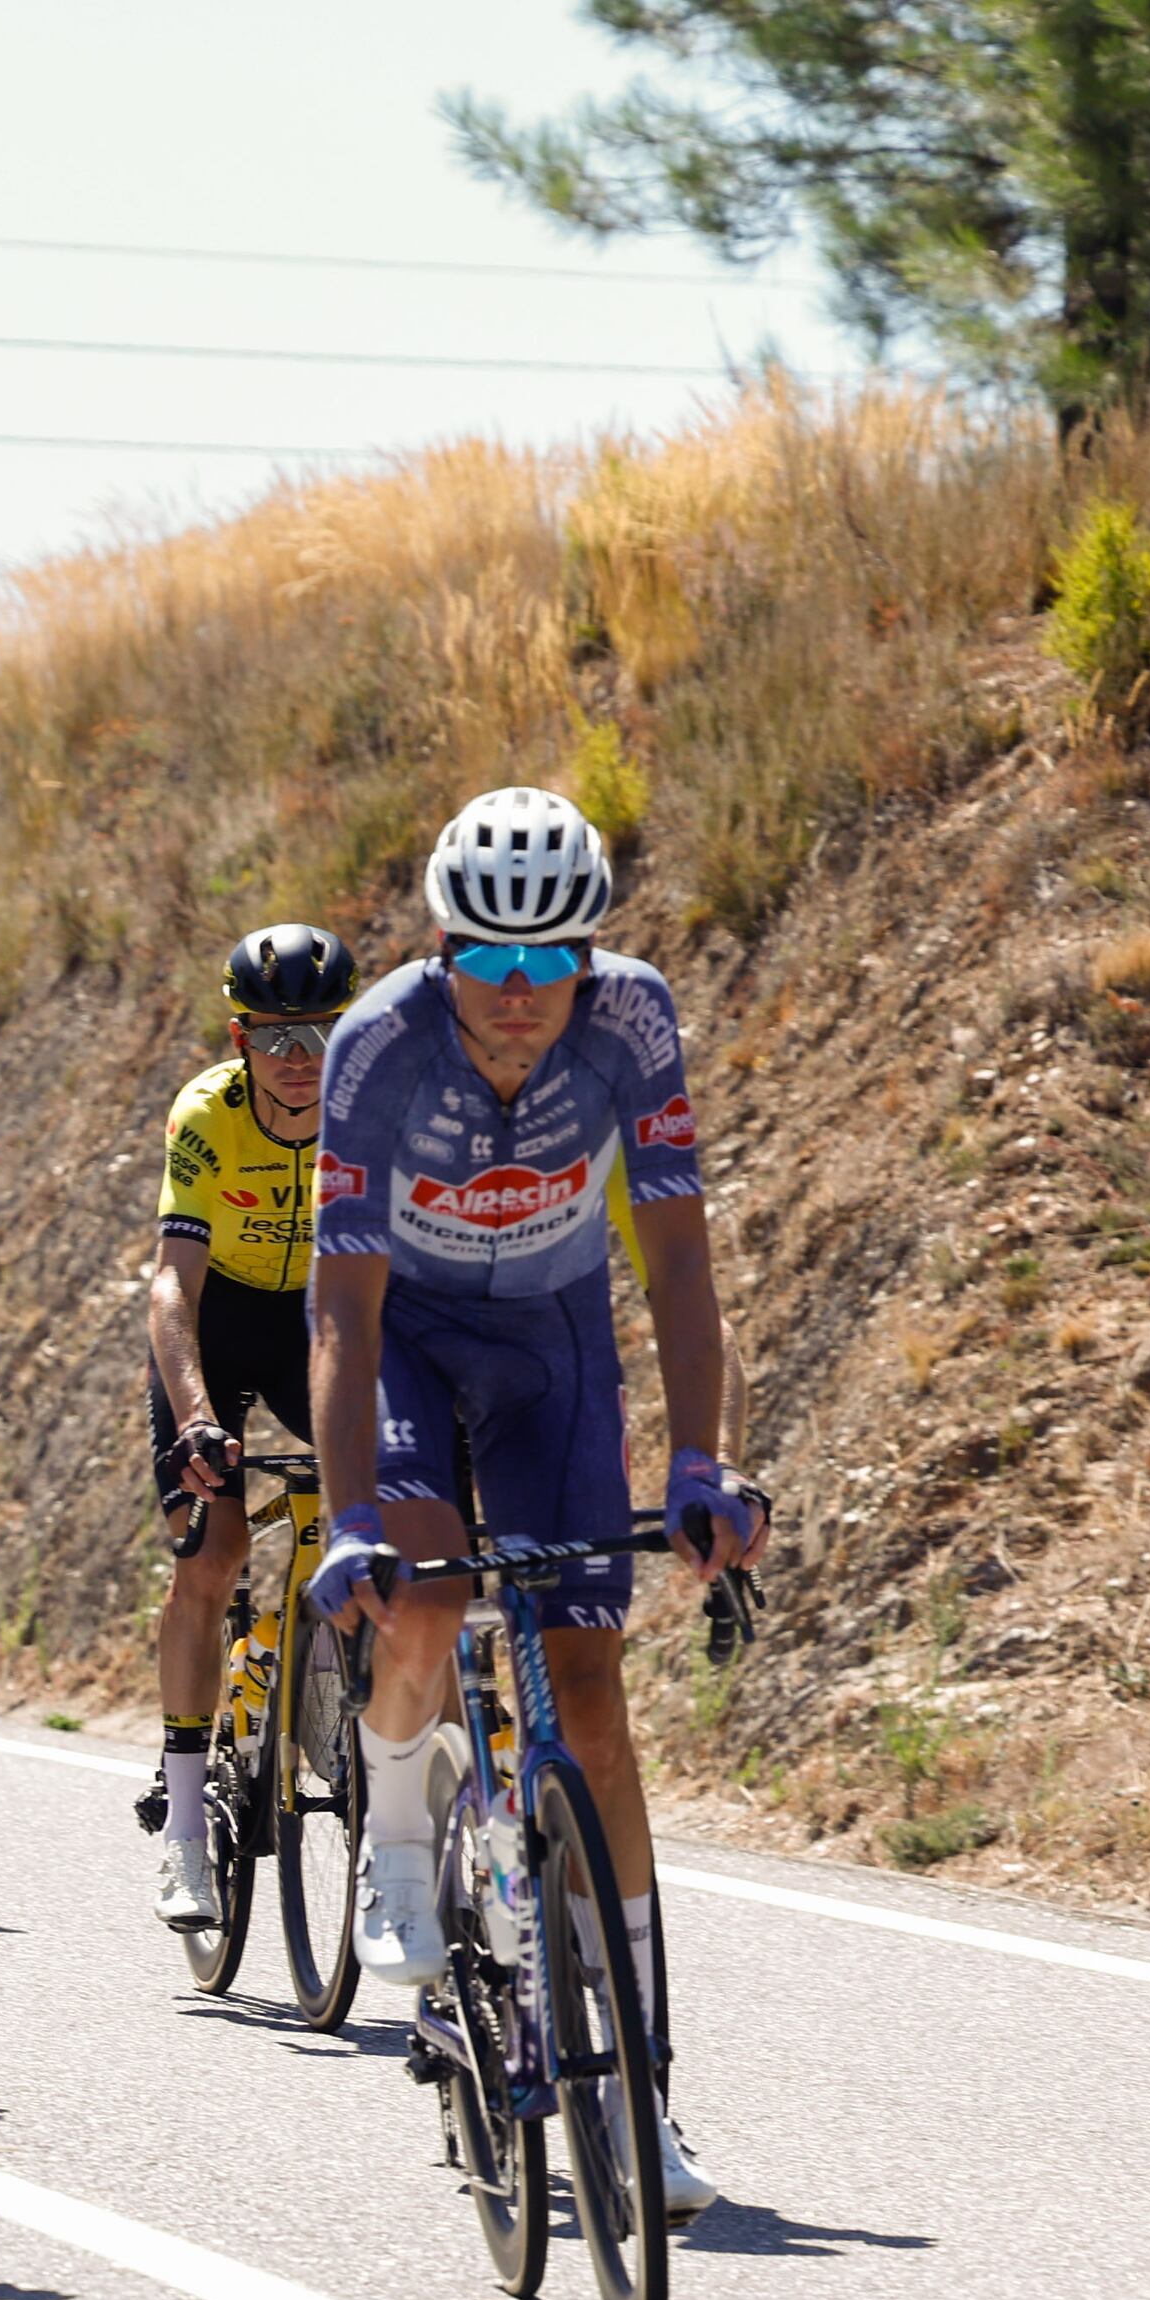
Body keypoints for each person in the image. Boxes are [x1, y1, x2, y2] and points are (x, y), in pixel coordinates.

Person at [301, 787, 760, 2223]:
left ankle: (643, 2094)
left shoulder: (634, 1026)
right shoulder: (376, 1045)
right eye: (486, 964)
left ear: (589, 955)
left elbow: (679, 1263)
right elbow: (340, 1313)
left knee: (595, 1702)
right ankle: (392, 1824)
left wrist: (700, 1462)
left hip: (557, 1343)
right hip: (412, 1344)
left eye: (547, 961)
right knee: (426, 1602)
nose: (517, 996)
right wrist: (349, 1514)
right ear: (443, 950)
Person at [141, 923, 352, 1933]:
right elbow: (171, 1288)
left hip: (316, 1321)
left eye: (317, 1035)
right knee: (213, 1551)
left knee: (375, 1510)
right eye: (274, 1038)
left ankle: (334, 1696)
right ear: (238, 1040)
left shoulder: (368, 1113)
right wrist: (191, 1418)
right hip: (218, 1328)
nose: (297, 1062)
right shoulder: (205, 1117)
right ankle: (185, 1834)